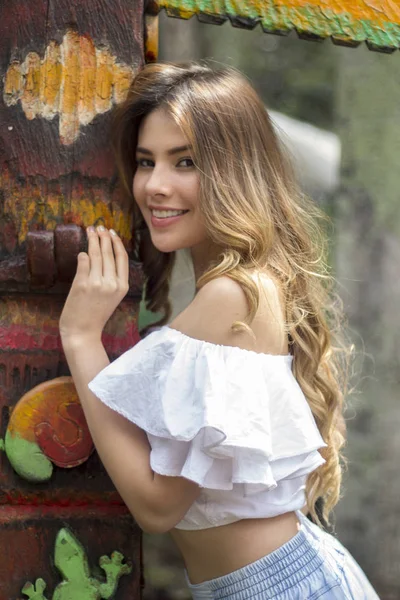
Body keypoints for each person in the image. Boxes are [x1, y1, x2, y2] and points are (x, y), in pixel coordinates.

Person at [59, 61, 379, 599]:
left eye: (185, 161)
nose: (156, 185)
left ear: (236, 169)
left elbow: (158, 504)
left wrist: (81, 338)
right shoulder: (243, 284)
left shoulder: (233, 294)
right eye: (145, 161)